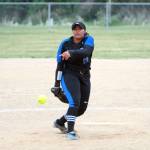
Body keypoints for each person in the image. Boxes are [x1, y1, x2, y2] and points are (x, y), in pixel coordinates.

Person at [52, 22, 94, 140]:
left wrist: (71, 53)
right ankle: (70, 132)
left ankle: (60, 122)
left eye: (80, 29)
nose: (77, 31)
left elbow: (86, 51)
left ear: (84, 31)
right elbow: (60, 66)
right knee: (75, 102)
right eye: (74, 29)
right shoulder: (65, 43)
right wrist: (56, 84)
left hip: (85, 76)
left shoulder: (88, 40)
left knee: (81, 109)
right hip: (69, 74)